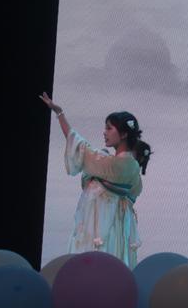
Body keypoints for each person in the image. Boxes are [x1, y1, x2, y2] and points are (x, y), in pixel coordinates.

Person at [39, 92, 151, 267]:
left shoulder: (110, 164)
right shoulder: (130, 167)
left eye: (109, 128)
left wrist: (60, 114)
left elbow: (79, 146)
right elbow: (134, 192)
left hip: (101, 227)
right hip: (117, 228)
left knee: (97, 265)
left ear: (123, 134)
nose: (104, 132)